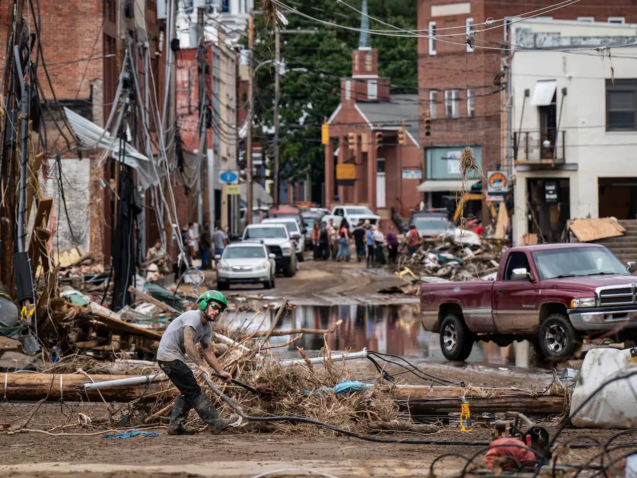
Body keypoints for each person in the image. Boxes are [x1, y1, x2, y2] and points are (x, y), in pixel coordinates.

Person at [157, 290, 238, 435]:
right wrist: (201, 365)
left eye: (219, 309)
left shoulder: (207, 327)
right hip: (168, 357)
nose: (217, 311)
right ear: (203, 304)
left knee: (188, 389)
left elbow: (208, 351)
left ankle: (175, 426)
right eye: (214, 306)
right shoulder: (192, 317)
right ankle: (215, 422)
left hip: (174, 358)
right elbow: (189, 344)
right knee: (193, 389)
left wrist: (220, 371)